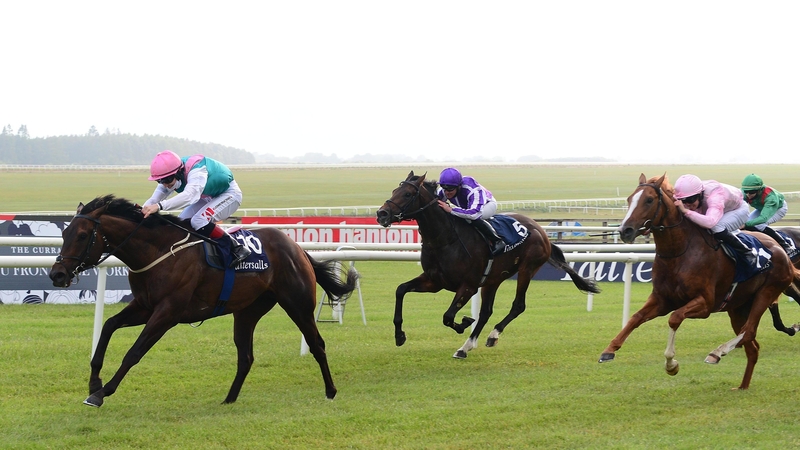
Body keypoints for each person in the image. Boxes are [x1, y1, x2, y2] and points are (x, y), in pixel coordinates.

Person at [141, 150, 251, 268]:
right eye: (160, 181)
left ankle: (236, 248)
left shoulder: (197, 171)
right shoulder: (170, 176)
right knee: (181, 221)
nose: (164, 184)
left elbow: (190, 196)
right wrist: (141, 211)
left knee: (198, 220)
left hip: (229, 195)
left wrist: (159, 206)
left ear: (178, 172)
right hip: (207, 196)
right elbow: (154, 200)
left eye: (167, 180)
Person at [673, 174, 756, 266]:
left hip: (738, 209)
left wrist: (686, 211)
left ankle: (747, 252)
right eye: (683, 201)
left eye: (690, 200)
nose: (687, 204)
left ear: (700, 194)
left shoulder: (715, 196)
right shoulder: (693, 193)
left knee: (716, 227)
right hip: (720, 208)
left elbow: (710, 222)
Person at [436, 167, 506, 256]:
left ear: (459, 186)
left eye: (450, 189)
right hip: (467, 207)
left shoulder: (472, 189)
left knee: (470, 219)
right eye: (444, 189)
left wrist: (451, 210)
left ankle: (497, 241)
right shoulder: (444, 190)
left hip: (486, 205)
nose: (447, 193)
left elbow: (474, 214)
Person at [741, 173, 791, 252]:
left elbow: (763, 218)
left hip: (778, 208)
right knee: (747, 223)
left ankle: (785, 245)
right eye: (746, 192)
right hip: (762, 207)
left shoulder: (771, 197)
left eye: (751, 192)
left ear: (759, 190)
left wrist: (745, 224)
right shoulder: (744, 193)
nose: (748, 195)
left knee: (759, 224)